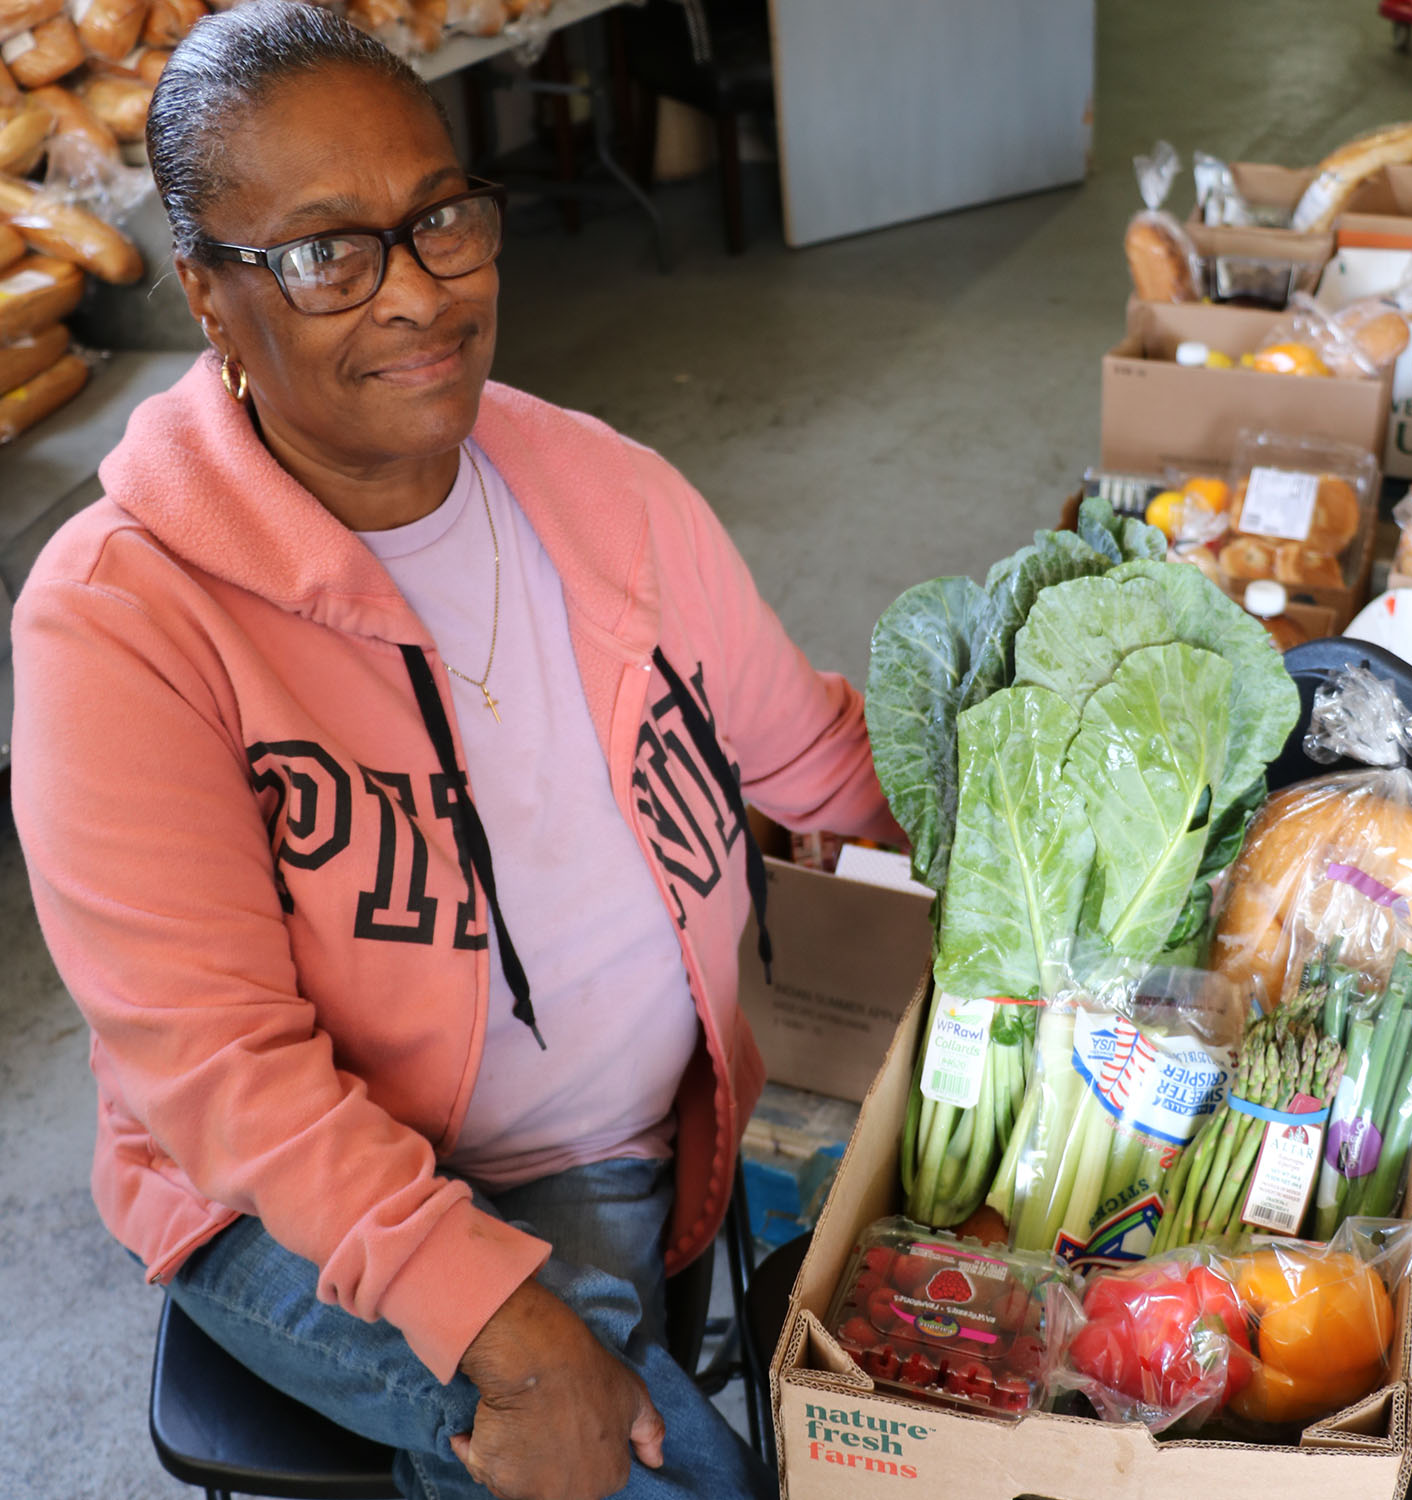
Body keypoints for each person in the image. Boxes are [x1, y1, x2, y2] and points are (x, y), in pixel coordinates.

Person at [8, 5, 901, 1498]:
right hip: (286, 1203)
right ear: (211, 300)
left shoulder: (605, 492)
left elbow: (809, 755)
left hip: (630, 1138)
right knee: (602, 1429)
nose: (416, 293)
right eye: (323, 254)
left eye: (441, 220)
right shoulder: (121, 620)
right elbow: (224, 1074)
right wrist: (496, 1315)